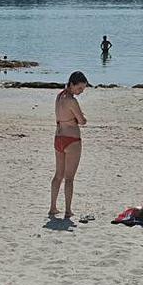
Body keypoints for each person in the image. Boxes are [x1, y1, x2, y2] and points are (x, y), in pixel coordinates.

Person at [50, 71, 89, 219]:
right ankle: (68, 210)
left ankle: (53, 207)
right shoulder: (71, 100)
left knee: (58, 175)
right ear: (72, 84)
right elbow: (82, 121)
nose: (80, 92)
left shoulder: (59, 96)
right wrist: (82, 117)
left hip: (58, 137)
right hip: (71, 139)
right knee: (69, 178)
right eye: (79, 88)